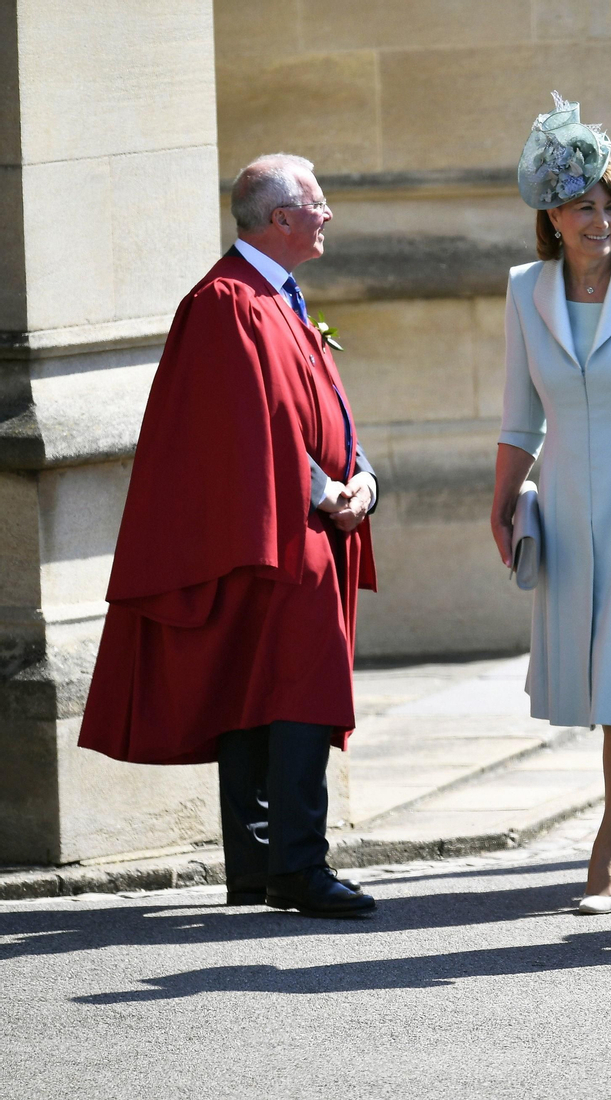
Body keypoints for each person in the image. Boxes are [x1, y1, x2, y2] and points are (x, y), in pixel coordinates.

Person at [78, 154, 379, 918]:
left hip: (306, 525)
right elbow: (245, 433)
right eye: (317, 203)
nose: (327, 215)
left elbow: (321, 411)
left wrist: (364, 479)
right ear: (280, 219)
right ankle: (296, 867)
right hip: (276, 534)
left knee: (265, 695)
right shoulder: (226, 303)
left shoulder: (277, 294)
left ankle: (261, 868)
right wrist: (329, 491)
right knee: (296, 694)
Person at [491, 95, 611, 916]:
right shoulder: (523, 290)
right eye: (583, 206)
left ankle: (610, 847)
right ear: (553, 216)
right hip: (566, 497)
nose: (600, 218)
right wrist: (501, 503)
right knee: (594, 672)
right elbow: (517, 414)